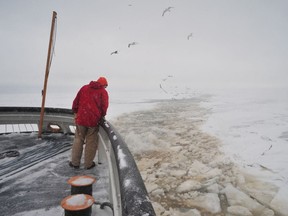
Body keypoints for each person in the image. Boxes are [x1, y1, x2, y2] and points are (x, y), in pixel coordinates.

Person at [69, 77, 109, 169]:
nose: (105, 88)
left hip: (81, 119)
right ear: (104, 85)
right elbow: (104, 107)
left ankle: (75, 163)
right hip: (93, 121)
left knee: (78, 139)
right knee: (91, 142)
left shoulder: (84, 88)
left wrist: (76, 112)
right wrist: (101, 115)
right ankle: (88, 164)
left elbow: (75, 102)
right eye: (105, 86)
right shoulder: (103, 92)